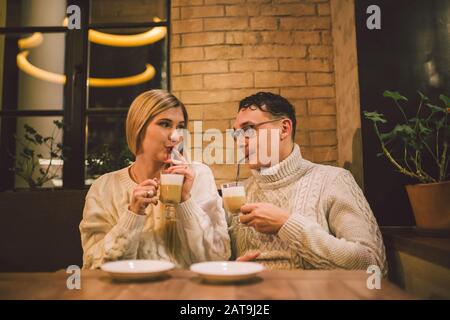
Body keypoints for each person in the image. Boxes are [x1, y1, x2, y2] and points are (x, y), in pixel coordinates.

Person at [229, 92, 387, 275]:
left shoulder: (333, 180)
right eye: (236, 134)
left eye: (249, 129)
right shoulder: (239, 193)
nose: (240, 142)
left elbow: (374, 266)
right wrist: (234, 269)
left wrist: (287, 224)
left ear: (284, 129)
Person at [80, 89, 230, 269]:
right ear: (138, 128)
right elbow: (92, 264)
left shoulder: (199, 176)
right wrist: (133, 214)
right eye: (165, 124)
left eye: (180, 126)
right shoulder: (104, 187)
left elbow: (218, 257)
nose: (175, 136)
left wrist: (185, 201)